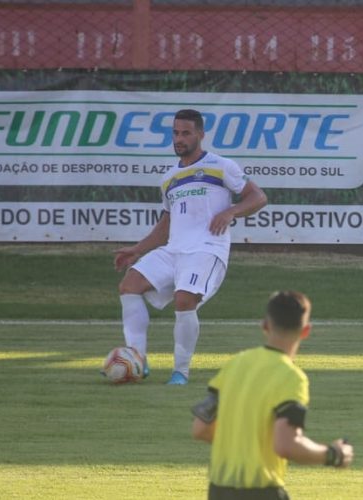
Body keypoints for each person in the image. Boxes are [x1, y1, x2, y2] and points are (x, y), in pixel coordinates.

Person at [114, 109, 267, 385]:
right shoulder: (169, 178)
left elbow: (258, 197)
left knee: (185, 299)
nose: (179, 138)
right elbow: (166, 224)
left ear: (200, 134)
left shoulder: (221, 165)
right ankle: (137, 359)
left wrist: (231, 211)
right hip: (174, 250)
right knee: (129, 285)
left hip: (206, 250)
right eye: (175, 133)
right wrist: (137, 249)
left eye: (186, 133)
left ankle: (180, 372)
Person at [191, 291, 354, 499]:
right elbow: (286, 444)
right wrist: (334, 454)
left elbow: (200, 428)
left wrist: (245, 440)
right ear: (305, 331)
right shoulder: (291, 378)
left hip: (218, 491)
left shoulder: (234, 365)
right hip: (261, 492)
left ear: (265, 325)